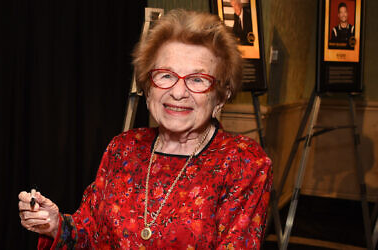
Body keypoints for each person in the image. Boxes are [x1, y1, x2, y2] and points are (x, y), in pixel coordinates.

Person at [18, 9, 272, 249]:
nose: (178, 92)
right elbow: (91, 233)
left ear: (221, 95)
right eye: (165, 75)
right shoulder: (123, 148)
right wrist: (55, 225)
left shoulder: (244, 163)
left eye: (197, 79)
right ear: (148, 86)